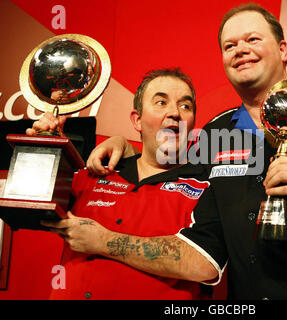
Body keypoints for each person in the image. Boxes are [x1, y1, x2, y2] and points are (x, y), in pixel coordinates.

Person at [76, 3, 287, 299]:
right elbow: (162, 168)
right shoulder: (216, 134)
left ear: (283, 50)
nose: (240, 49)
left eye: (253, 39)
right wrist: (122, 146)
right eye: (230, 45)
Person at [27, 68, 218, 299]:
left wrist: (103, 241)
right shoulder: (96, 171)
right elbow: (29, 205)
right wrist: (44, 147)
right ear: (137, 120)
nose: (175, 113)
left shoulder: (207, 185)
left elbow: (203, 263)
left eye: (185, 106)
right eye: (160, 102)